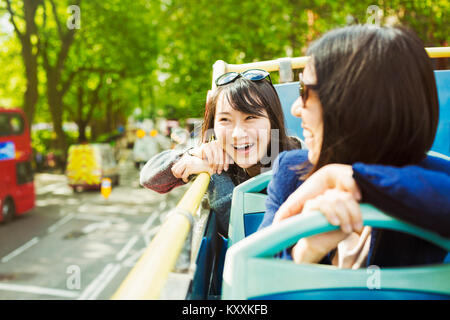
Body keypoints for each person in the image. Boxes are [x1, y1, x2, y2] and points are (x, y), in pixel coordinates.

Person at [259, 25, 450, 268]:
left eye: (304, 91)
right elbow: (252, 279)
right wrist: (305, 251)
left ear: (356, 105)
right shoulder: (290, 171)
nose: (296, 108)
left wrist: (347, 178)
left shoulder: (425, 183)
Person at [140, 69, 301, 237]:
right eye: (225, 120)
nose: (237, 134)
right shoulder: (220, 158)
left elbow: (249, 236)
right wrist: (195, 153)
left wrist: (214, 175)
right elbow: (149, 179)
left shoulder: (298, 163)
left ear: (272, 121)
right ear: (213, 126)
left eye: (251, 117)